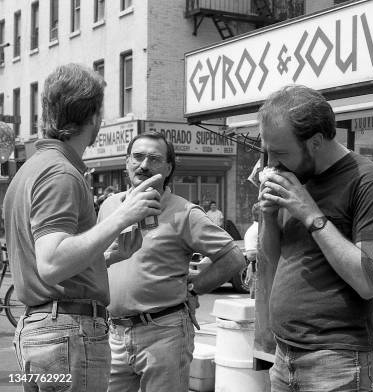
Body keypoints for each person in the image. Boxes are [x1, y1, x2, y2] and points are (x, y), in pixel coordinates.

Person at [3, 64, 162, 391]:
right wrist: (123, 215)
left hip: (45, 330)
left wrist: (104, 257)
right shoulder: (60, 173)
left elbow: (48, 264)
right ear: (93, 118)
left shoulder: (30, 170)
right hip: (67, 331)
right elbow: (50, 263)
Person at [258, 85, 373, 391]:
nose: (271, 163)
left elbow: (371, 281)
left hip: (336, 360)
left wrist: (310, 213)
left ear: (316, 142)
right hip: (284, 356)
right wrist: (268, 217)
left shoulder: (371, 181)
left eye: (280, 152)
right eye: (268, 151)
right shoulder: (293, 177)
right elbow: (272, 258)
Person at [98, 132, 246, 392]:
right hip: (113, 333)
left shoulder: (184, 212)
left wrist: (194, 288)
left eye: (154, 159)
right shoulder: (110, 205)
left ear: (168, 168)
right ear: (126, 162)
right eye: (138, 157)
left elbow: (233, 257)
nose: (144, 165)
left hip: (163, 334)